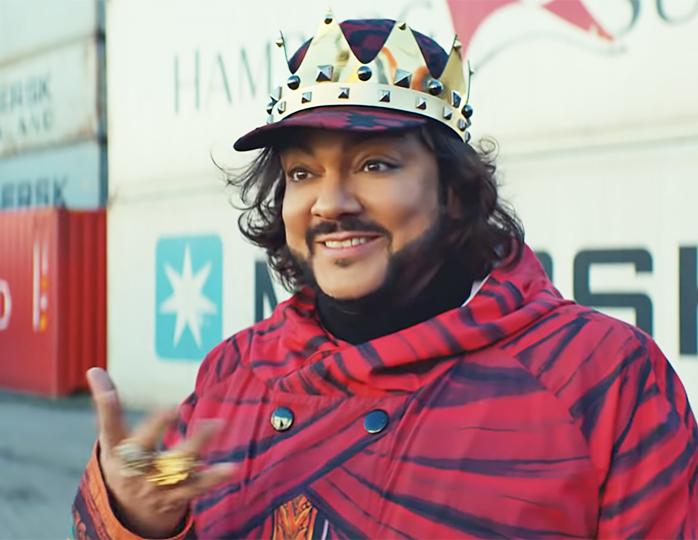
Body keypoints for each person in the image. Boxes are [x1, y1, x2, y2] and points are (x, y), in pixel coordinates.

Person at [72, 15, 698, 539]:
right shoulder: (236, 370)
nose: (330, 203)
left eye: (374, 164)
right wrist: (135, 520)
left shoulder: (601, 374)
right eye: (301, 174)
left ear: (455, 190)